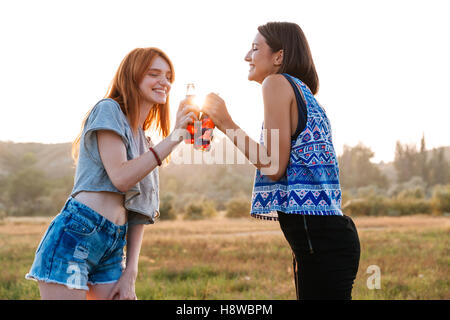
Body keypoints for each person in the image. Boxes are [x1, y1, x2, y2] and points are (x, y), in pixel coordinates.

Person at [202, 22, 361, 300]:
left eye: (254, 48)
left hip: (320, 243)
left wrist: (226, 123)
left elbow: (274, 166)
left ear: (278, 56)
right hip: (325, 240)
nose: (246, 57)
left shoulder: (276, 83)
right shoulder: (303, 93)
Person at [25, 47, 197, 300]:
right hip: (76, 234)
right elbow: (121, 178)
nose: (165, 82)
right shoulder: (109, 110)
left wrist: (131, 272)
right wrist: (174, 137)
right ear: (132, 76)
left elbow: (140, 211)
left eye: (168, 76)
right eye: (154, 74)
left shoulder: (145, 141)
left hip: (114, 245)